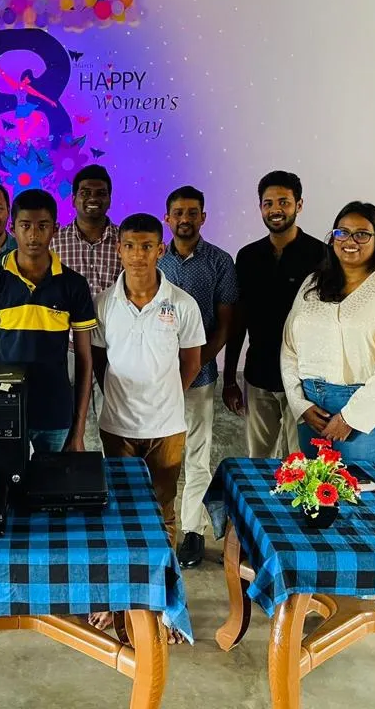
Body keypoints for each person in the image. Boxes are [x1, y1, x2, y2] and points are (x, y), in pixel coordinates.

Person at [91, 213, 204, 644]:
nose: (138, 255)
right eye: (130, 246)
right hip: (117, 426)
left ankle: (160, 602)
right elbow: (100, 363)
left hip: (167, 427)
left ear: (161, 250)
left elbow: (191, 363)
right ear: (118, 249)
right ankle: (118, 597)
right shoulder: (103, 304)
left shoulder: (183, 305)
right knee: (118, 513)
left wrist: (164, 398)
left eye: (147, 246)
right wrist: (124, 400)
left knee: (162, 514)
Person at [281, 201, 375, 461]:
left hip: (364, 415)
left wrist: (351, 417)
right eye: (341, 232)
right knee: (315, 493)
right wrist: (301, 405)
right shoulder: (313, 283)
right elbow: (289, 347)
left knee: (360, 496)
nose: (349, 240)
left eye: (362, 234)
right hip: (313, 411)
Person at [0, 189, 96, 453]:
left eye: (42, 226)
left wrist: (79, 430)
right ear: (13, 227)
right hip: (4, 410)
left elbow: (85, 359)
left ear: (55, 229)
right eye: (25, 226)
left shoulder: (73, 285)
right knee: (7, 489)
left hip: (55, 411)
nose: (33, 235)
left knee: (52, 489)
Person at [157, 186, 238, 569]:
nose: (185, 219)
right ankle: (158, 527)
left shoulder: (220, 262)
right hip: (155, 379)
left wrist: (190, 370)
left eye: (192, 212)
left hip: (200, 378)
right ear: (167, 217)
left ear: (203, 217)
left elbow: (223, 326)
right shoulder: (155, 259)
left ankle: (192, 530)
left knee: (197, 456)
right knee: (157, 456)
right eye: (178, 212)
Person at [223, 171, 327, 459]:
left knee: (301, 463)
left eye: (283, 202)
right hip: (259, 374)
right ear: (260, 208)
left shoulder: (321, 256)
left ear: (299, 205)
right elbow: (238, 320)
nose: (275, 209)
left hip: (305, 380)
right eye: (268, 203)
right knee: (258, 459)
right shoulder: (248, 256)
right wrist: (230, 378)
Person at [50, 164, 122, 422]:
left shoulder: (125, 241)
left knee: (113, 427)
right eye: (85, 192)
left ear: (110, 199)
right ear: (73, 199)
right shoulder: (54, 242)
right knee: (65, 425)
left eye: (101, 193)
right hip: (66, 349)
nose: (93, 199)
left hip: (114, 349)